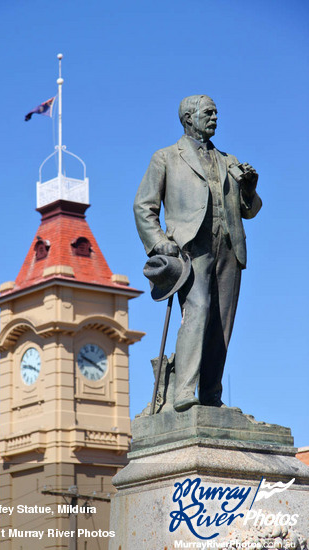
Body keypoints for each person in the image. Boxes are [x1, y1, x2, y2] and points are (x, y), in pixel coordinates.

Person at [133, 95, 262, 412]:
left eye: (216, 112)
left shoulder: (228, 160)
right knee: (199, 309)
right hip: (191, 247)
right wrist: (158, 241)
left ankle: (210, 393)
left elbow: (251, 210)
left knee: (221, 321)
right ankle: (183, 390)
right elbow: (143, 206)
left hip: (229, 246)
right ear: (188, 118)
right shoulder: (166, 157)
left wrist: (248, 188)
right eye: (208, 112)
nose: (215, 117)